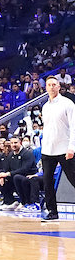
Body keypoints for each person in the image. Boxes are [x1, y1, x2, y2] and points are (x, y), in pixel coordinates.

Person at [39, 76, 75, 221]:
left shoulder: (68, 104)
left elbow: (73, 127)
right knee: (47, 181)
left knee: (73, 178)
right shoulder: (45, 107)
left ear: (59, 86)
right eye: (49, 85)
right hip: (48, 150)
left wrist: (71, 147)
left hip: (65, 148)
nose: (52, 87)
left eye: (54, 84)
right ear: (46, 88)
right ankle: (52, 211)